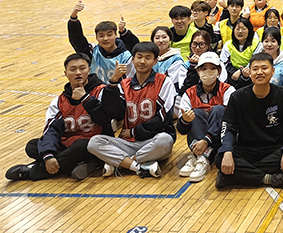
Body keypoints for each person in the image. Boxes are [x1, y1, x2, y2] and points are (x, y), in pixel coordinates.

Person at [5, 53, 125, 181]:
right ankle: (77, 165)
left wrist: (85, 99)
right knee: (32, 146)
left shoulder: (101, 92)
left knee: (81, 146)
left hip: (93, 144)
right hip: (68, 145)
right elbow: (51, 130)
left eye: (82, 68)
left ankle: (34, 171)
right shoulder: (59, 101)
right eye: (73, 69)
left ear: (89, 70)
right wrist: (48, 156)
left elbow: (105, 120)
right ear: (66, 73)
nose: (78, 73)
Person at [87, 42, 177, 179]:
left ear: (155, 61)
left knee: (165, 140)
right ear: (133, 60)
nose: (142, 61)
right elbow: (112, 111)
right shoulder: (124, 84)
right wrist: (113, 82)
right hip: (128, 142)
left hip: (153, 140)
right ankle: (139, 166)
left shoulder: (165, 82)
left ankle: (121, 163)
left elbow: (164, 118)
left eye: (148, 58)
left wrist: (135, 131)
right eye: (139, 57)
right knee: (94, 142)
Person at [215, 52, 283, 189]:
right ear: (249, 72)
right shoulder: (237, 97)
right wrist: (228, 151)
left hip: (274, 149)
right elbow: (228, 127)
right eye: (255, 69)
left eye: (264, 68)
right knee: (220, 158)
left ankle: (234, 176)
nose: (259, 72)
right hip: (246, 149)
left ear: (273, 71)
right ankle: (269, 179)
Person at [176, 52, 235, 182]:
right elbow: (181, 130)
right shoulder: (189, 93)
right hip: (197, 142)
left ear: (219, 71)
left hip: (219, 142)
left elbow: (229, 121)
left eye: (212, 68)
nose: (208, 72)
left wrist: (206, 140)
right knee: (196, 113)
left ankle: (200, 157)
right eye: (203, 69)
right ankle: (201, 158)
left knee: (219, 110)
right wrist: (185, 120)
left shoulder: (228, 90)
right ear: (197, 71)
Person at [67, 0, 135, 84]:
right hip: (95, 91)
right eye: (101, 36)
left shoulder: (126, 57)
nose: (105, 38)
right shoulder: (93, 51)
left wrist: (124, 32)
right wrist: (73, 17)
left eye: (109, 35)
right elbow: (77, 40)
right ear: (96, 38)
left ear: (116, 35)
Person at [177, 30, 226, 95]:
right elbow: (183, 88)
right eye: (194, 44)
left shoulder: (218, 62)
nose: (197, 48)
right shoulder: (185, 65)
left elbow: (222, 82)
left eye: (201, 44)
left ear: (208, 45)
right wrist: (193, 67)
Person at [221, 18, 260, 89]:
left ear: (249, 30)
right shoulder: (228, 45)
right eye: (237, 29)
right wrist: (234, 72)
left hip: (251, 74)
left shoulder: (257, 44)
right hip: (232, 74)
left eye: (243, 29)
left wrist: (241, 71)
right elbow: (223, 63)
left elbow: (256, 62)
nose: (240, 31)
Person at [151, 26, 184, 92]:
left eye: (164, 37)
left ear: (170, 39)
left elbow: (172, 82)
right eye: (157, 38)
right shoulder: (150, 57)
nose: (161, 40)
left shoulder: (176, 59)